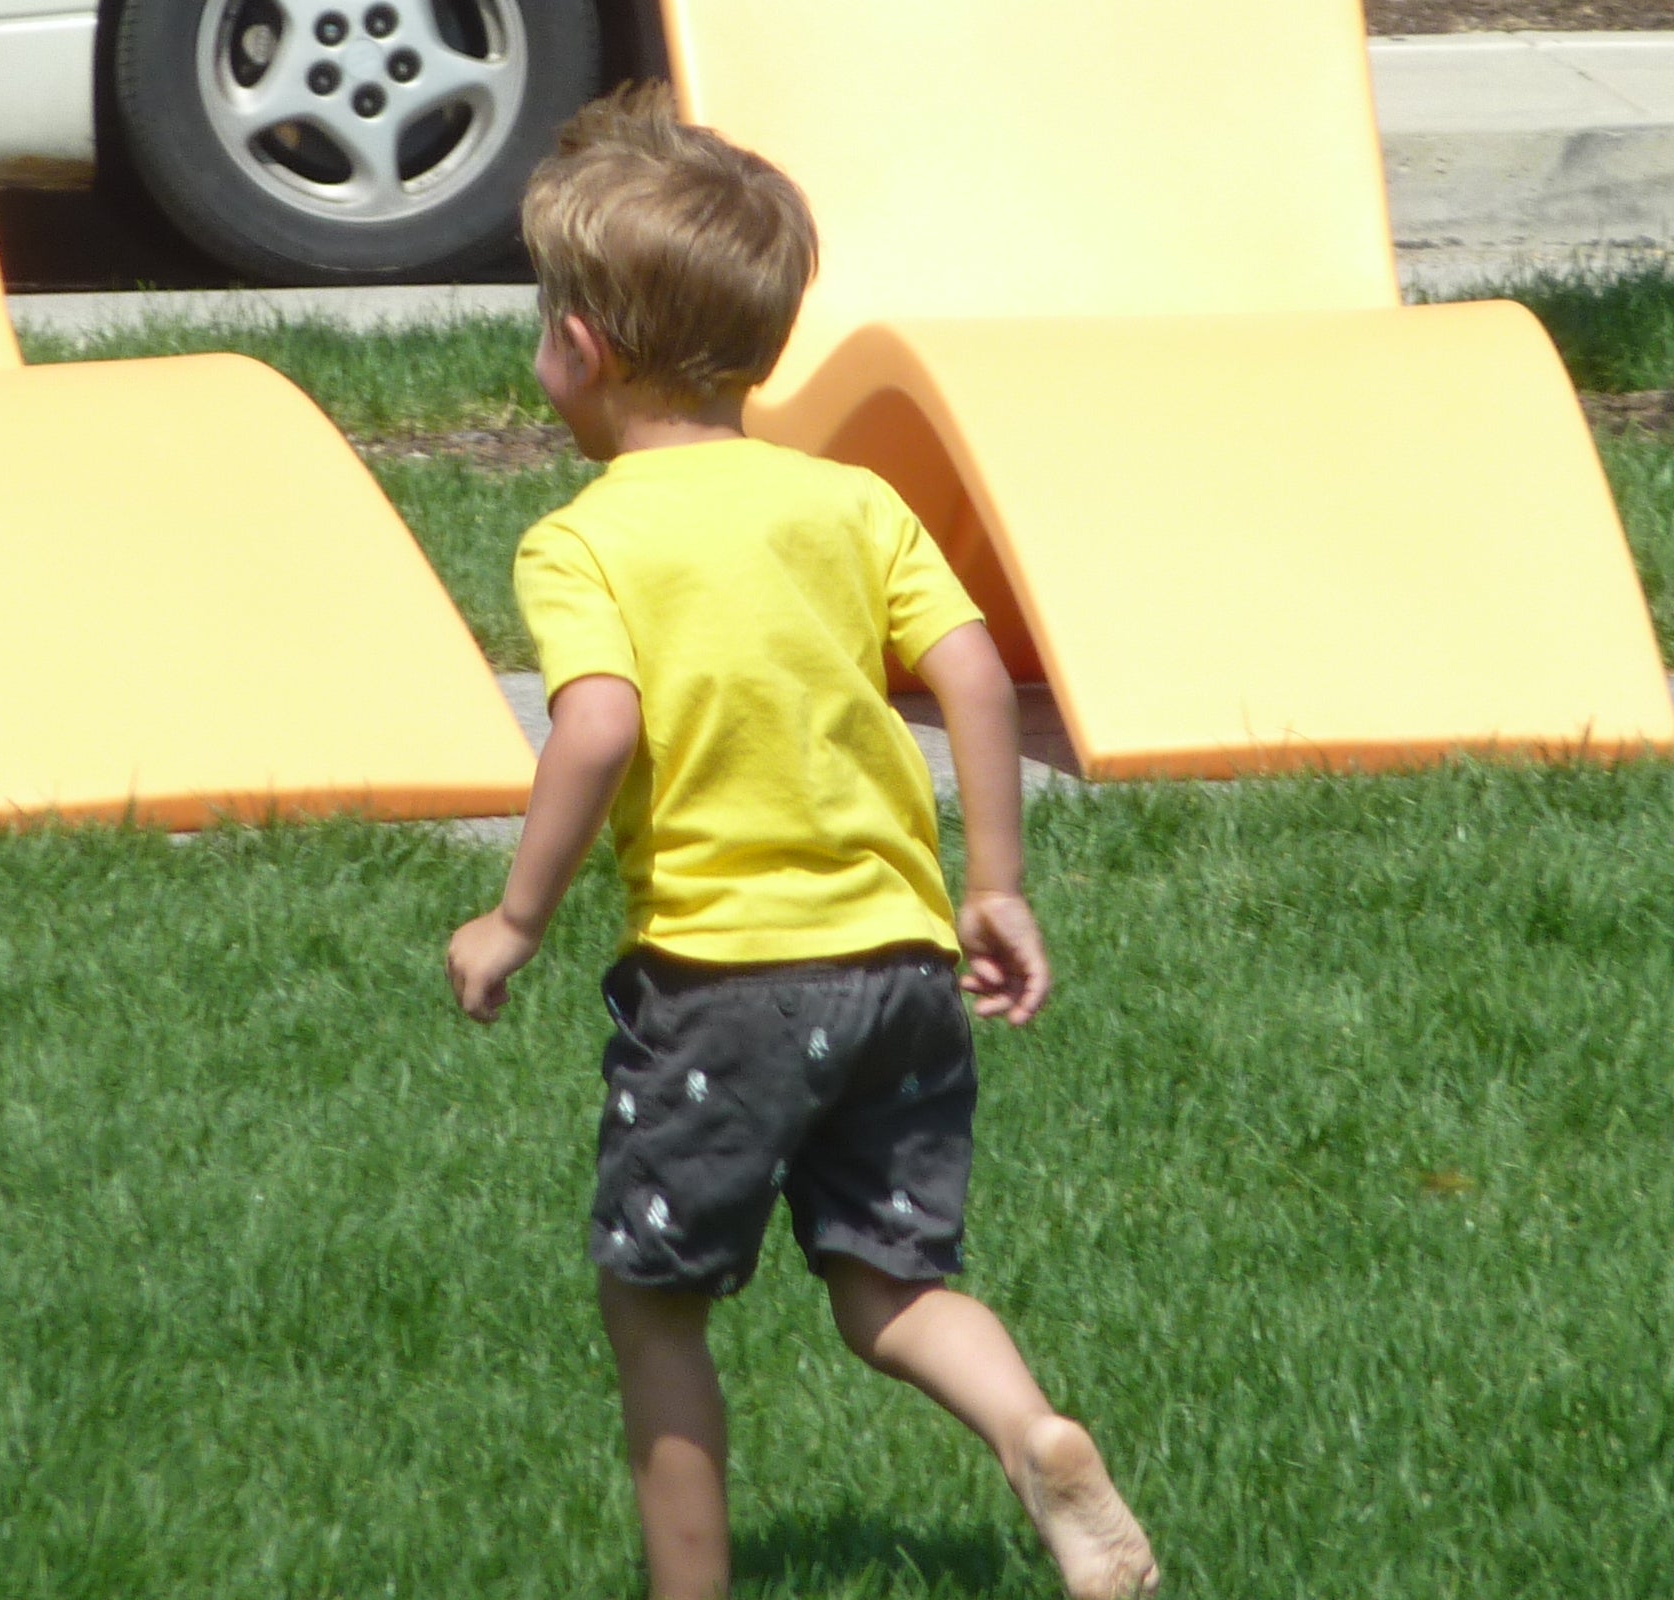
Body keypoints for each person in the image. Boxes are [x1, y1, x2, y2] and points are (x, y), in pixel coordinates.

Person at [447, 85, 1159, 1600]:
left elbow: (595, 729)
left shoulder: (583, 538)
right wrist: (996, 886)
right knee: (888, 1282)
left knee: (657, 1308)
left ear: (580, 347)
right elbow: (972, 671)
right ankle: (1030, 1430)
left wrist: (513, 920)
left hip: (721, 986)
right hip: (898, 971)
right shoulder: (853, 501)